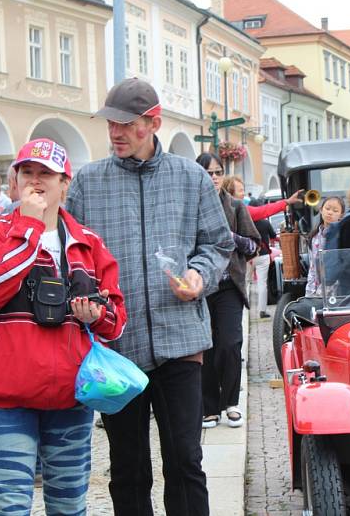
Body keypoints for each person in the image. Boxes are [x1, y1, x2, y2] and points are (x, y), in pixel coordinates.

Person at [66, 77, 233, 516]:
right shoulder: (88, 182)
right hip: (116, 348)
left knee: (185, 460)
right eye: (110, 124)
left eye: (126, 124)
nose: (115, 133)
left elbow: (217, 244)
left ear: (153, 123)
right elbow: (74, 257)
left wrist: (199, 276)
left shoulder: (191, 176)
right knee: (128, 467)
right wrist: (85, 299)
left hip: (180, 341)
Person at [0, 139, 127, 515]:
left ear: (64, 183)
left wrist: (95, 315)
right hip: (7, 400)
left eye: (46, 175)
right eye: (27, 173)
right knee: (8, 508)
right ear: (15, 181)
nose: (36, 182)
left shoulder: (88, 243)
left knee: (69, 507)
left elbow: (116, 321)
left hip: (69, 400)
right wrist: (28, 228)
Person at [196, 153, 260, 429]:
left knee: (230, 343)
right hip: (200, 287)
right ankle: (209, 407)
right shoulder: (191, 206)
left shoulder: (234, 206)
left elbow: (254, 245)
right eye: (208, 172)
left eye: (217, 172)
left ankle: (231, 402)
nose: (213, 177)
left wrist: (230, 237)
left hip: (229, 285)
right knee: (206, 347)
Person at [305, 196, 345, 297]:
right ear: (321, 210)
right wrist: (310, 292)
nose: (330, 212)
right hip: (316, 292)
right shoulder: (313, 237)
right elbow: (312, 268)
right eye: (327, 209)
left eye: (335, 210)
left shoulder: (342, 236)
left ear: (341, 215)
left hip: (337, 293)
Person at [221, 175, 303, 221]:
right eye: (240, 191)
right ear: (230, 193)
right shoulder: (240, 210)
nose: (243, 194)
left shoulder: (225, 208)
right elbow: (264, 210)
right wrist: (287, 202)